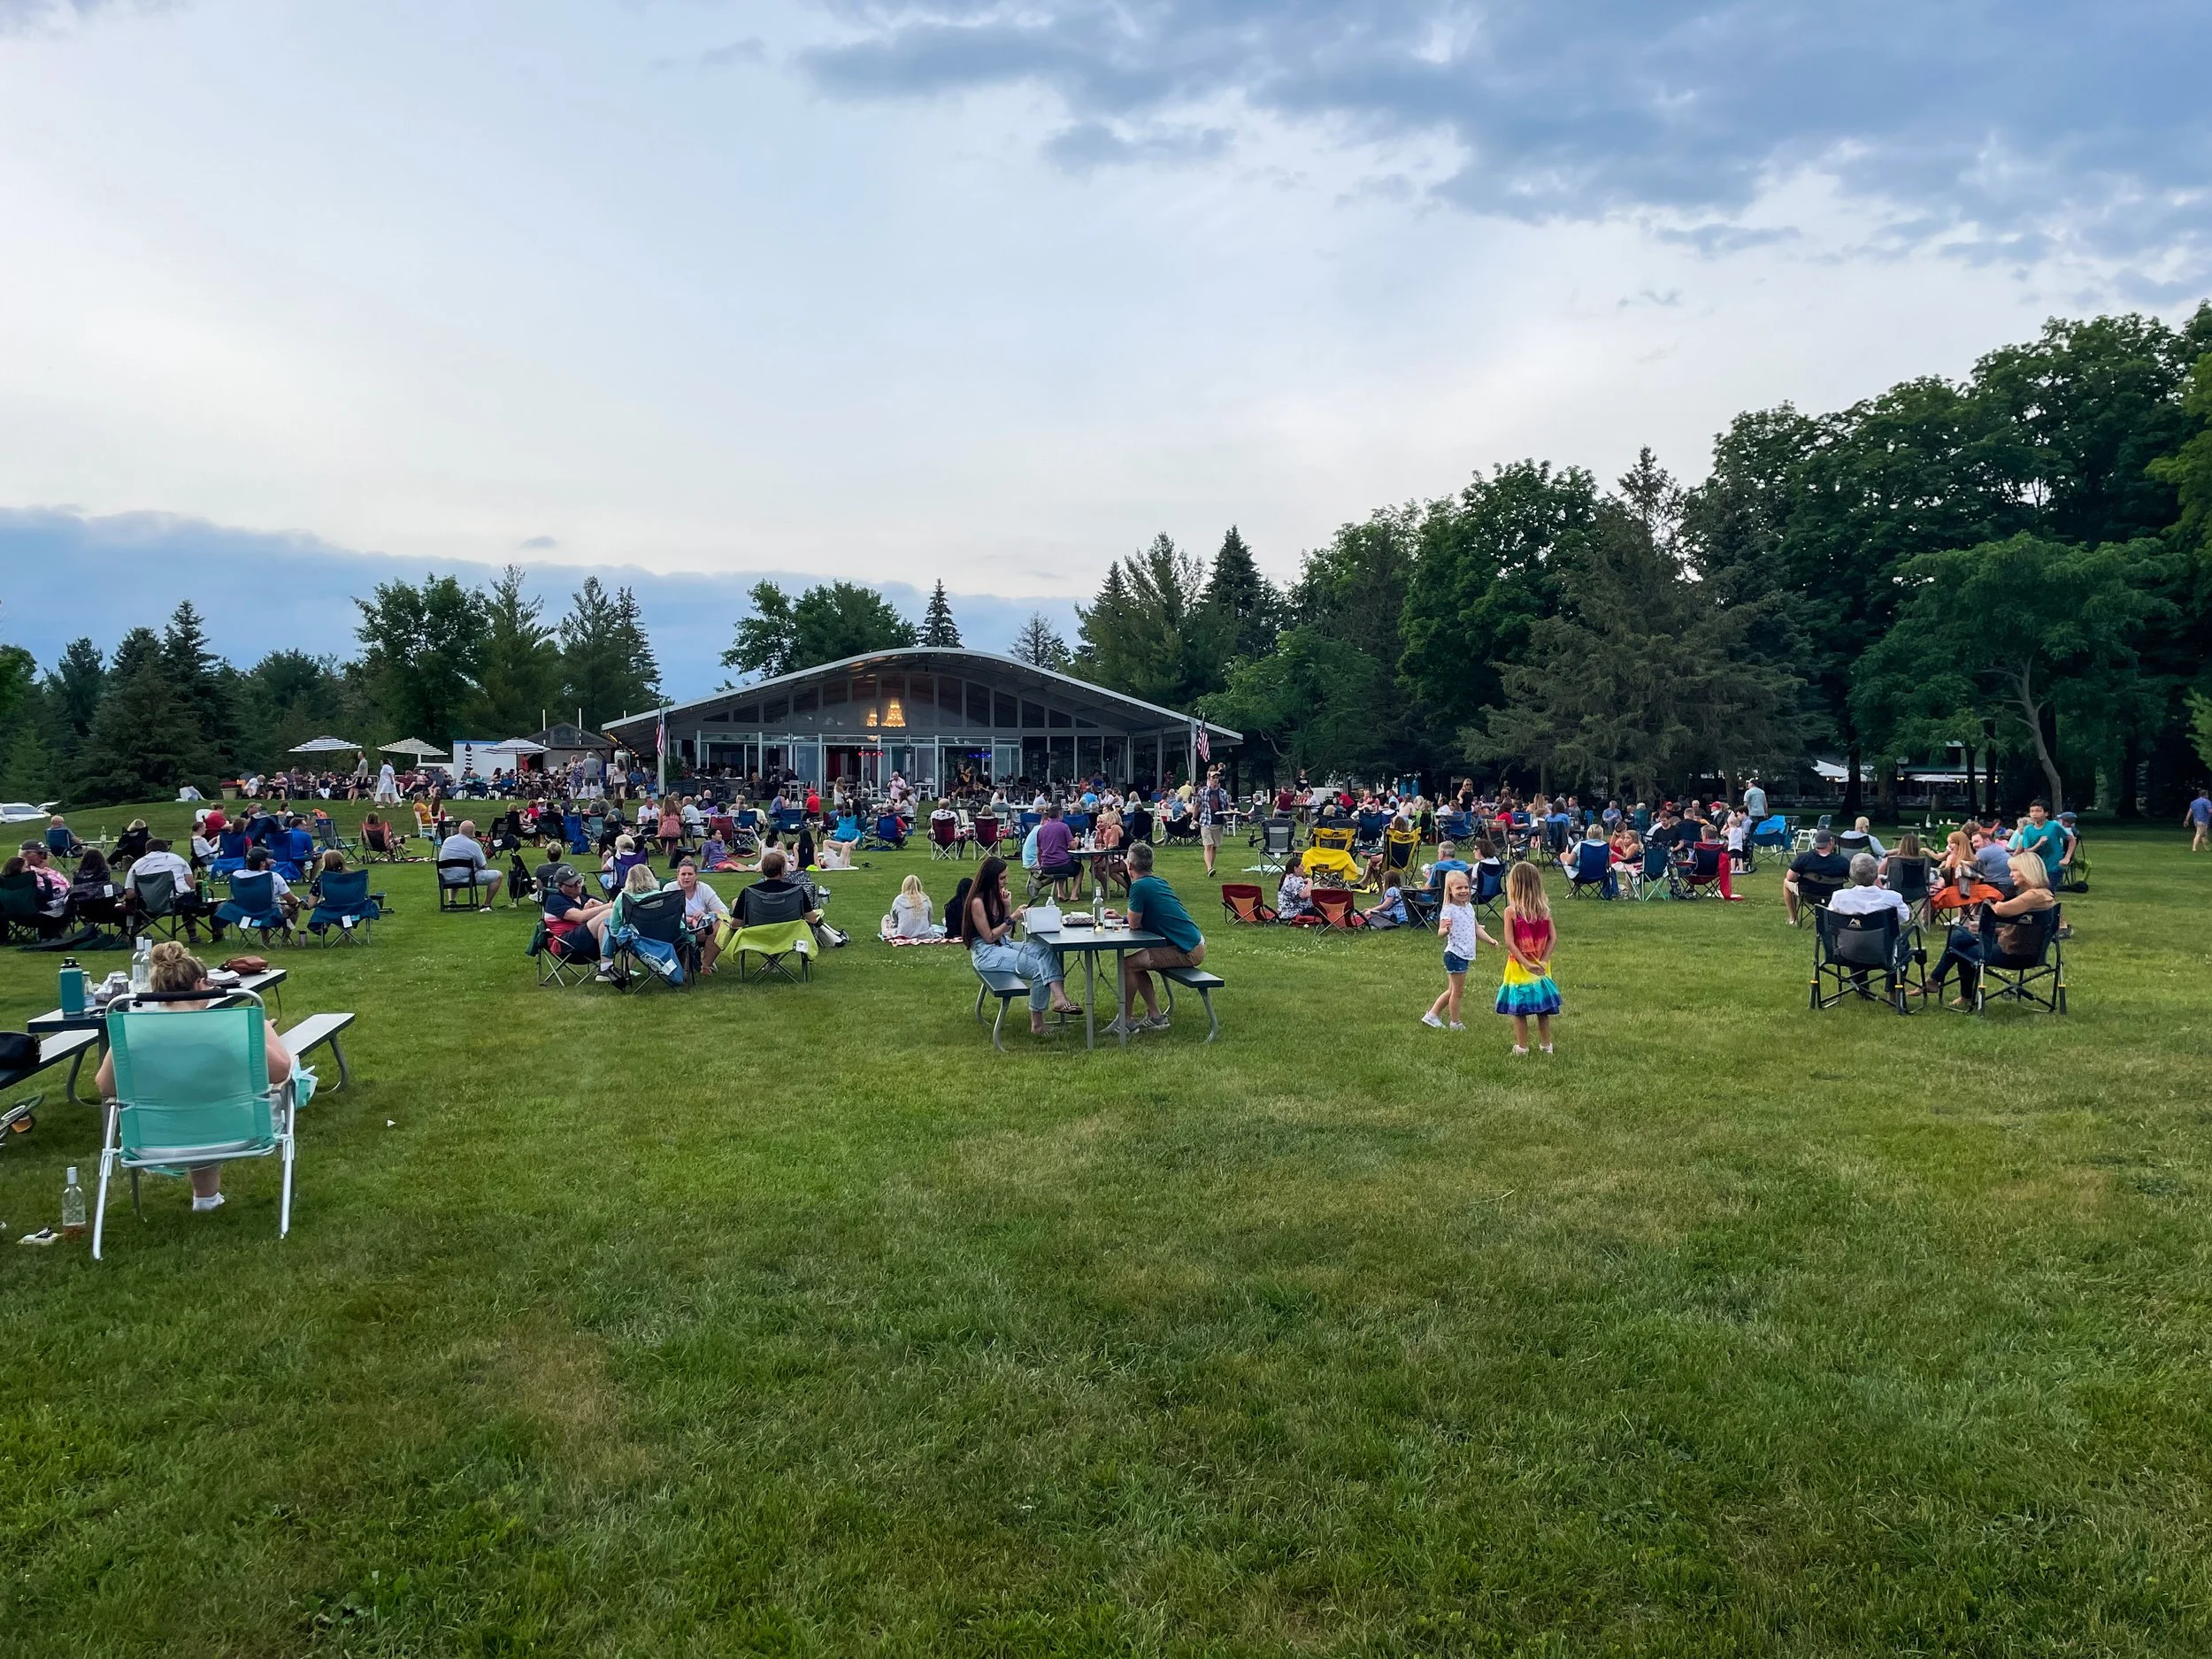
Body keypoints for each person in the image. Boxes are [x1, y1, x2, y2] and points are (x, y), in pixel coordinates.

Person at [92, 941, 293, 1214]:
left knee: (190, 1095)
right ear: (199, 985)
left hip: (152, 1143)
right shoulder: (227, 1031)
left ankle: (206, 1199)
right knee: (268, 1086)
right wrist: (262, 1029)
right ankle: (206, 1199)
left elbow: (105, 1087)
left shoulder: (132, 1033)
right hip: (234, 1135)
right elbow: (281, 1070)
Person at [959, 855, 1081, 1037]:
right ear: (990, 878)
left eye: (1005, 877)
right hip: (985, 952)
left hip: (1002, 945)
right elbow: (989, 937)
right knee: (1038, 969)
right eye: (1002, 878)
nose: (1005, 882)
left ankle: (1060, 998)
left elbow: (1006, 935)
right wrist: (1013, 917)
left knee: (1045, 951)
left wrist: (1007, 907)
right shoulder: (977, 902)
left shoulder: (997, 896)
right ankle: (1037, 1025)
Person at [1923, 852, 2056, 1008]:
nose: (2011, 874)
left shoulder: (2032, 896)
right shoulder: (2046, 894)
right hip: (2031, 952)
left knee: (1960, 949)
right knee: (1959, 937)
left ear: (2028, 871)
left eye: (2015, 870)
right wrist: (1992, 930)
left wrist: (1989, 904)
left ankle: (1955, 991)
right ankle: (1935, 980)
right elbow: (2024, 930)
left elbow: (1999, 909)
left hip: (2014, 954)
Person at [1113, 842, 1204, 1036]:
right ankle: (1155, 1016)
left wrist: (1124, 919)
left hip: (1186, 950)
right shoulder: (1157, 881)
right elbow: (1136, 919)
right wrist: (1122, 917)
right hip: (1192, 943)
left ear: (1129, 866)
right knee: (1134, 964)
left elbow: (1135, 924)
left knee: (1127, 964)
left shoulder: (1138, 887)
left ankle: (1126, 1020)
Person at [1494, 861, 1561, 1056]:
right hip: (1541, 965)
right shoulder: (1544, 910)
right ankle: (1546, 1045)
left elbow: (1509, 942)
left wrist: (1526, 963)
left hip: (1519, 966)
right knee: (1543, 1008)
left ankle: (1522, 1047)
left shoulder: (1511, 911)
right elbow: (1553, 938)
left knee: (1519, 1009)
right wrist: (1544, 960)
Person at [1423, 869, 1497, 1031]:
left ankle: (1432, 1015)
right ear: (1450, 890)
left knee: (1452, 990)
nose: (1463, 891)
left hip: (1464, 954)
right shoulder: (1449, 909)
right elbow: (1440, 933)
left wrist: (1490, 939)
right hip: (1455, 953)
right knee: (1457, 992)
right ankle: (1455, 1022)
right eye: (1459, 888)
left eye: (1466, 887)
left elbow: (1476, 928)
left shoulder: (1468, 907)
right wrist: (1446, 930)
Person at [595, 863, 664, 982]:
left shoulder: (622, 897)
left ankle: (608, 966)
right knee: (634, 932)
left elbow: (615, 928)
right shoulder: (662, 896)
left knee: (623, 930)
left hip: (634, 939)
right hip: (661, 937)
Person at [666, 859, 730, 973]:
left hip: (701, 928)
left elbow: (724, 911)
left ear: (696, 876)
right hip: (677, 928)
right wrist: (690, 919)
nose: (686, 877)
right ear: (677, 876)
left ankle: (705, 965)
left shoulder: (704, 888)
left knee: (721, 926)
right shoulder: (670, 889)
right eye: (683, 874)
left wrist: (706, 915)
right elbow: (666, 914)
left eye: (690, 874)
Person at [542, 864, 612, 956]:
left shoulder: (585, 897)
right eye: (572, 885)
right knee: (610, 913)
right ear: (560, 886)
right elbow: (581, 917)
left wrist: (601, 905)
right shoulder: (554, 900)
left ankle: (608, 966)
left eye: (579, 882)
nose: (578, 886)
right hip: (566, 944)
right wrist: (610, 906)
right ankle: (606, 967)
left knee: (618, 920)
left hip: (588, 942)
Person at [1785, 828, 1851, 925]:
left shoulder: (1804, 858)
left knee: (1786, 882)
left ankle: (1793, 919)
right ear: (1831, 842)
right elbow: (1856, 878)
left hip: (1808, 895)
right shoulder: (1843, 862)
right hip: (1833, 896)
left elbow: (1790, 878)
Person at [437, 819, 503, 909]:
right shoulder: (473, 845)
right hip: (466, 878)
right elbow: (484, 866)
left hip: (447, 877)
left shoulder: (448, 840)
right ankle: (486, 905)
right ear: (473, 832)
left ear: (460, 829)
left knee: (454, 870)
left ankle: (452, 901)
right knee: (498, 876)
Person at [2009, 800, 2067, 887]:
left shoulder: (2054, 825)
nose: (2034, 814)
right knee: (2037, 892)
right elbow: (2027, 850)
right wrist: (2038, 844)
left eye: (2038, 811)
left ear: (2046, 813)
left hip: (2053, 865)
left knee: (2048, 891)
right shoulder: (2028, 829)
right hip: (2036, 867)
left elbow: (2072, 839)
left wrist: (2067, 858)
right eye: (2032, 811)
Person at [1033, 803, 1079, 901]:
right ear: (1060, 814)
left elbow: (1039, 851)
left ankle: (1061, 893)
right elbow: (1072, 846)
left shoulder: (1041, 830)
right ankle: (1074, 895)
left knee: (1061, 865)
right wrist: (1077, 839)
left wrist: (1041, 864)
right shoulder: (1064, 827)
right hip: (1061, 864)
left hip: (1046, 866)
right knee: (1079, 868)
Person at [881, 873, 944, 941]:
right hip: (925, 935)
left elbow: (895, 920)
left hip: (903, 934)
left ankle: (886, 932)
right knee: (936, 928)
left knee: (890, 927)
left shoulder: (898, 900)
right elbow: (929, 920)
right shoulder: (925, 899)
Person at [1195, 766, 1231, 877]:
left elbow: (1226, 806)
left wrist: (1231, 812)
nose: (1215, 779)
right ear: (1209, 779)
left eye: (1217, 778)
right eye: (1213, 777)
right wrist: (1193, 818)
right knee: (1208, 845)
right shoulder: (1203, 792)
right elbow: (1197, 805)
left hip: (1218, 822)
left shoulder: (1223, 793)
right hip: (1206, 821)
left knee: (1214, 846)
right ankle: (1209, 868)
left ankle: (1211, 867)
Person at [1276, 850, 1315, 924]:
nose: (1304, 868)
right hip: (1295, 913)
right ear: (1295, 869)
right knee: (1322, 910)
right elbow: (1305, 895)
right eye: (1302, 866)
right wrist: (1310, 882)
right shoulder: (1293, 880)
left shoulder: (1287, 878)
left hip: (1286, 912)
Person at [2187, 787, 2212, 852]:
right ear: (2205, 795)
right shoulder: (2207, 802)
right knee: (2199, 834)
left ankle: (2207, 848)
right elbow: (2210, 811)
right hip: (2203, 821)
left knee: (2204, 834)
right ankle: (2194, 848)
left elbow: (2190, 811)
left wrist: (2186, 820)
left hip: (2196, 821)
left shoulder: (2194, 802)